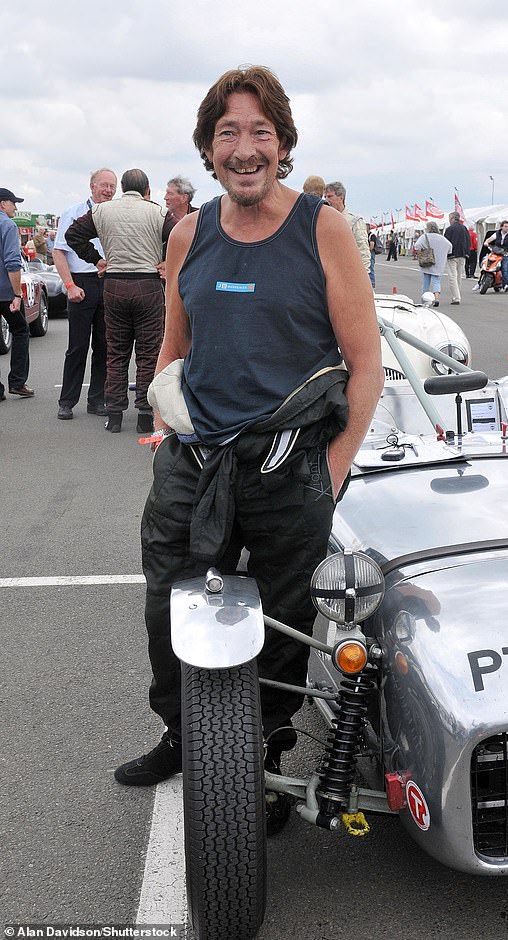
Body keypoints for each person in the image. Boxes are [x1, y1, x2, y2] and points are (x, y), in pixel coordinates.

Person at [112, 66, 383, 829]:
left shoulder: (321, 229)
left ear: (283, 143)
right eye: (227, 133)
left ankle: (260, 758)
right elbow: (175, 345)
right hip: (195, 464)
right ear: (207, 148)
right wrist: (169, 420)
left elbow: (366, 363)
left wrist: (332, 470)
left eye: (259, 131)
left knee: (282, 623)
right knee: (170, 603)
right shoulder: (188, 232)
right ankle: (179, 730)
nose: (244, 148)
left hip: (291, 465)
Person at [66, 169, 175, 433]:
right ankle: (145, 415)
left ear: (123, 187)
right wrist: (166, 262)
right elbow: (182, 237)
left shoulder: (102, 211)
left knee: (116, 352)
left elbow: (73, 236)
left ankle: (114, 415)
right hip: (148, 285)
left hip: (114, 284)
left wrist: (96, 259)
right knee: (148, 354)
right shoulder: (158, 212)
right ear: (146, 188)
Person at [53, 168, 117, 420]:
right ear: (92, 186)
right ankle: (67, 401)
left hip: (108, 282)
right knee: (77, 347)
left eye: (112, 186)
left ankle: (97, 400)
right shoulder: (73, 214)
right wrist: (69, 285)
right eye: (104, 185)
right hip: (81, 281)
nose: (109, 191)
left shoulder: (116, 214)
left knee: (104, 346)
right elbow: (59, 252)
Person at [0, 187, 34, 400]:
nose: (15, 207)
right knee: (20, 330)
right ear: (3, 203)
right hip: (3, 292)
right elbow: (12, 262)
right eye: (13, 203)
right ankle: (17, 382)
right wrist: (17, 294)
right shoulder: (7, 225)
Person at [324, 181, 371, 276]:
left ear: (341, 197)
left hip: (349, 273)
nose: (326, 200)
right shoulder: (323, 220)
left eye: (330, 196)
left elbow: (363, 250)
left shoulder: (355, 221)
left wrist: (363, 276)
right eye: (325, 197)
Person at [414, 221, 451, 306]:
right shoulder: (442, 238)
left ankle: (424, 300)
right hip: (438, 263)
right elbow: (450, 247)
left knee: (426, 283)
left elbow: (417, 246)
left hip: (427, 261)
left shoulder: (424, 236)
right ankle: (436, 298)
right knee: (436, 281)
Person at [443, 211, 470, 305]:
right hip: (462, 255)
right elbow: (468, 241)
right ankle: (457, 295)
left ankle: (456, 297)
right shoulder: (464, 228)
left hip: (452, 255)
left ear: (452, 219)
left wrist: (446, 254)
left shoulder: (449, 229)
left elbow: (446, 243)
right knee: (459, 276)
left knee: (452, 276)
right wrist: (467, 253)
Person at [484, 220, 508, 292]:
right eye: (505, 226)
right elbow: (490, 239)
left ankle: (505, 285)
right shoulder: (497, 233)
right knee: (486, 263)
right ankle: (479, 283)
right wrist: (486, 242)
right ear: (501, 227)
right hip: (496, 253)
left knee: (504, 269)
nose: (507, 228)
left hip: (505, 254)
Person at [367, 224, 377, 288]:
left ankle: (372, 283)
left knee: (370, 267)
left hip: (371, 253)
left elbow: (372, 245)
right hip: (368, 252)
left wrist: (367, 250)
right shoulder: (365, 235)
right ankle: (368, 282)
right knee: (367, 267)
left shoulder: (372, 235)